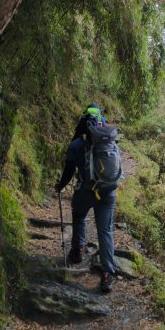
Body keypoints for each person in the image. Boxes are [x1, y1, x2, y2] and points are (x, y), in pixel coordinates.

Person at [55, 104, 118, 293]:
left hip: (86, 191)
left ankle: (77, 251)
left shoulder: (76, 145)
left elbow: (68, 173)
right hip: (108, 193)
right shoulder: (111, 144)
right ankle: (108, 274)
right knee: (105, 231)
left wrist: (60, 186)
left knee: (79, 215)